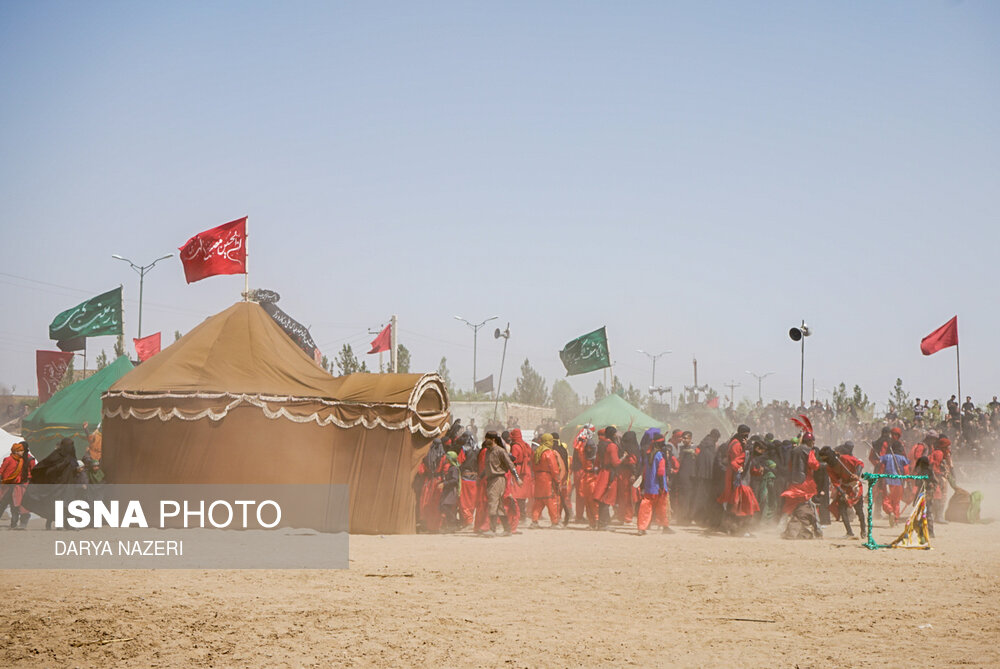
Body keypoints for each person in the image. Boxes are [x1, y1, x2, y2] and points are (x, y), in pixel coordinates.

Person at [22, 438, 80, 529]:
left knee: (69, 504)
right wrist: (62, 464)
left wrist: (76, 470)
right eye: (68, 445)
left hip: (69, 484)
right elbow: (47, 468)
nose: (70, 447)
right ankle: (52, 522)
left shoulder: (72, 456)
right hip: (57, 484)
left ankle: (68, 524)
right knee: (57, 504)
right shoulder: (56, 455)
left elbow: (74, 467)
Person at [480, 431, 521, 536]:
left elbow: (510, 465)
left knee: (493, 503)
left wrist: (517, 478)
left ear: (493, 440)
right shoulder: (488, 451)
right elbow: (488, 467)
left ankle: (492, 530)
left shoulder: (500, 451)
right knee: (499, 506)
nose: (485, 441)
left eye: (487, 439)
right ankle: (507, 529)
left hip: (498, 479)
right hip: (490, 480)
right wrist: (480, 477)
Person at [820, 444, 865, 539]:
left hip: (855, 485)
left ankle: (863, 530)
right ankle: (849, 532)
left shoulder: (845, 459)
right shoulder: (829, 468)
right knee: (841, 508)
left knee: (859, 510)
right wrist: (843, 494)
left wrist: (857, 474)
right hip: (845, 487)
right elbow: (835, 482)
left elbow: (860, 464)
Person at [636, 429, 669, 535]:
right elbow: (661, 472)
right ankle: (665, 526)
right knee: (662, 507)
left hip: (649, 486)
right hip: (659, 486)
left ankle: (642, 527)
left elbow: (645, 471)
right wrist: (661, 486)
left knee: (645, 507)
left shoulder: (648, 454)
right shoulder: (659, 455)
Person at [530, 433, 564, 528]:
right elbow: (554, 468)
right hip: (548, 479)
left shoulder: (537, 452)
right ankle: (555, 522)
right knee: (551, 500)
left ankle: (534, 521)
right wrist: (557, 480)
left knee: (538, 501)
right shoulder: (549, 453)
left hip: (538, 478)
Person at [0, 441, 35, 529]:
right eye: (20, 449)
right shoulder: (15, 459)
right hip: (11, 485)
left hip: (23, 485)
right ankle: (15, 523)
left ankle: (19, 523)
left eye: (22, 449)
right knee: (7, 503)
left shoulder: (29, 459)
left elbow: (34, 472)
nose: (22, 451)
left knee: (18, 505)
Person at [593, 427, 621, 529]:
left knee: (601, 498)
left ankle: (602, 522)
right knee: (606, 498)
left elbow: (596, 461)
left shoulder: (601, 445)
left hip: (602, 472)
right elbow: (615, 462)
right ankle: (603, 523)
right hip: (609, 474)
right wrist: (624, 458)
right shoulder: (612, 446)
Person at [692, 429, 720, 525]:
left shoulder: (704, 443)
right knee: (704, 497)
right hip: (707, 476)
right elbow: (710, 461)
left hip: (701, 474)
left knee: (699, 496)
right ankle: (699, 517)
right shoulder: (710, 445)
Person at [879, 443, 909, 526]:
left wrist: (880, 479)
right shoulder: (903, 459)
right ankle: (896, 519)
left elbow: (881, 470)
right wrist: (906, 481)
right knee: (896, 502)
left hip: (888, 481)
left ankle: (890, 511)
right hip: (899, 482)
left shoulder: (886, 457)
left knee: (886, 500)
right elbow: (906, 472)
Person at [438, 451, 461, 532]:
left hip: (452, 490)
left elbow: (455, 480)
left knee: (444, 506)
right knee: (445, 507)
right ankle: (452, 526)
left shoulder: (454, 468)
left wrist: (444, 483)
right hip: (449, 490)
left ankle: (454, 522)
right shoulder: (452, 467)